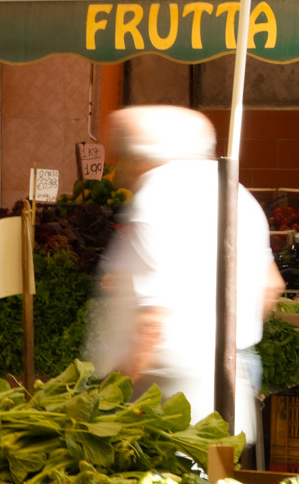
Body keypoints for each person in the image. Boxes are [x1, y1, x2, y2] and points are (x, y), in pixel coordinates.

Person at [86, 106, 283, 450]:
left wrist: (112, 395)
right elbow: (271, 286)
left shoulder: (156, 198)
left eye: (125, 158)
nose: (121, 170)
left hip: (171, 396)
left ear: (142, 157)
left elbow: (153, 318)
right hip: (230, 378)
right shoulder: (238, 195)